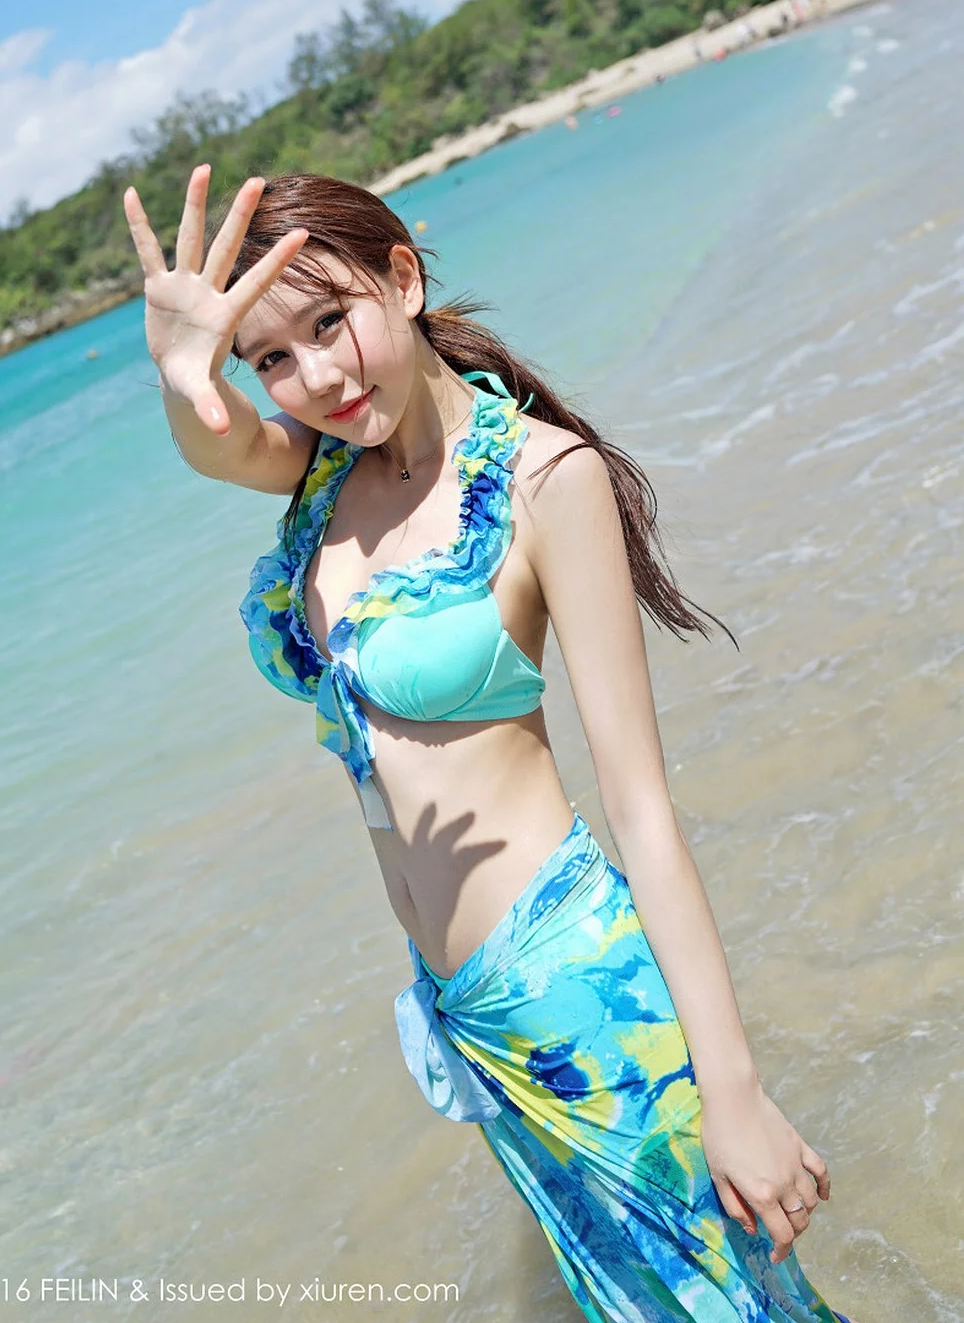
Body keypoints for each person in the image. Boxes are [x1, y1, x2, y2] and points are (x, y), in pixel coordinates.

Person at [123, 166, 855, 1323]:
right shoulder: (324, 472)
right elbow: (214, 446)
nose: (317, 377)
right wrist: (183, 374)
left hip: (578, 988)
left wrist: (736, 1092)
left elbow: (642, 812)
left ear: (403, 280)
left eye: (331, 322)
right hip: (466, 1010)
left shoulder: (543, 479)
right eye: (269, 359)